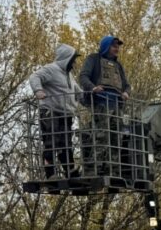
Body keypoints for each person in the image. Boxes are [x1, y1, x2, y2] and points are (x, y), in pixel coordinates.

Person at [78, 35, 132, 177]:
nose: (117, 49)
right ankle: (94, 168)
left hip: (117, 106)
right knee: (101, 136)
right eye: (114, 46)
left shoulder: (118, 65)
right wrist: (93, 87)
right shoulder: (93, 59)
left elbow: (127, 85)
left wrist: (126, 92)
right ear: (106, 46)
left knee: (116, 138)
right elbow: (83, 76)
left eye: (118, 46)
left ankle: (112, 169)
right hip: (101, 104)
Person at [28, 43, 82, 179]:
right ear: (66, 58)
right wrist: (38, 90)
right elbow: (34, 77)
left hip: (66, 113)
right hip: (51, 112)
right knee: (51, 142)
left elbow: (77, 91)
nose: (74, 63)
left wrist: (90, 96)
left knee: (65, 144)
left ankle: (70, 171)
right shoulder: (51, 69)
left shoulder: (69, 75)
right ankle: (50, 173)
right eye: (73, 59)